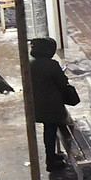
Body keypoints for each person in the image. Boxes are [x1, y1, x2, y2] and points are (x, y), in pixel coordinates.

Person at [29, 37, 72, 172]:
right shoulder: (51, 65)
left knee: (50, 129)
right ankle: (51, 161)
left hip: (37, 103)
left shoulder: (30, 64)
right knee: (50, 130)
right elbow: (62, 82)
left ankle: (52, 156)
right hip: (51, 105)